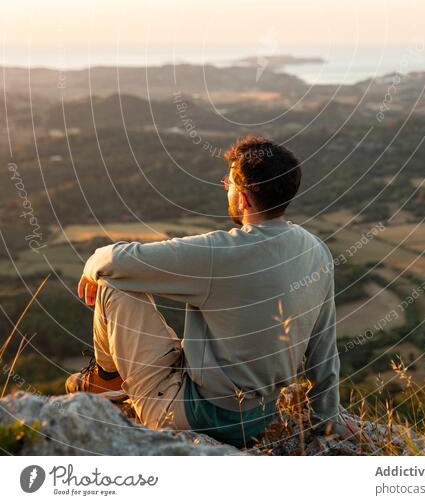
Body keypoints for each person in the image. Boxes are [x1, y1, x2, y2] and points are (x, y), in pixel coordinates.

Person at [66, 134, 346, 447]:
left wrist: (92, 269)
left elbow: (115, 260)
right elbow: (324, 353)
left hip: (192, 415)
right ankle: (112, 383)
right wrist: (325, 426)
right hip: (257, 418)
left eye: (228, 183)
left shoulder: (221, 252)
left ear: (243, 198)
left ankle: (106, 382)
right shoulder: (318, 251)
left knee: (113, 285)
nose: (226, 187)